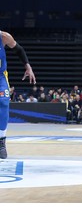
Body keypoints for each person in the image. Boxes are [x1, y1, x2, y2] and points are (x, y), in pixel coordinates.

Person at [1, 30, 36, 159]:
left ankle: (1, 141)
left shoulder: (4, 37)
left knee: (4, 102)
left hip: (0, 77)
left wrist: (28, 67)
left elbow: (19, 50)